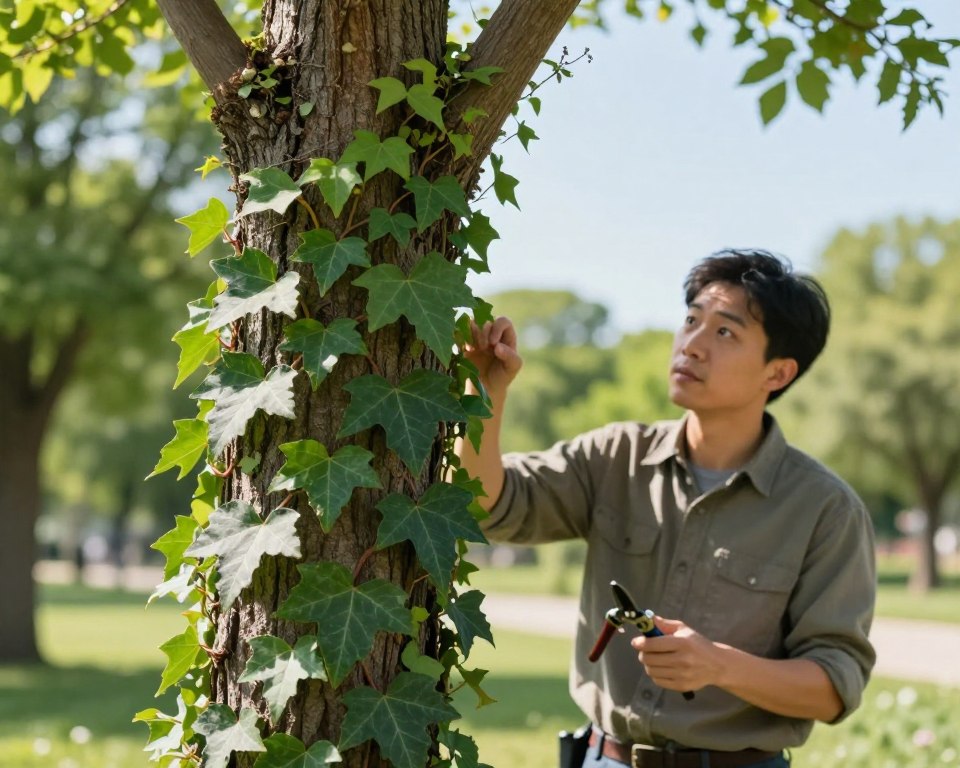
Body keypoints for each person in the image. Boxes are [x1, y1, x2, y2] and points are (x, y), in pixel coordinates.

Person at [457, 249, 876, 768]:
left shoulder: (826, 510)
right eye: (691, 320)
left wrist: (719, 666)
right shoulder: (614, 457)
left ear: (778, 372)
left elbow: (834, 685)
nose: (692, 345)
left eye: (725, 332)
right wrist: (485, 390)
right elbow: (481, 503)